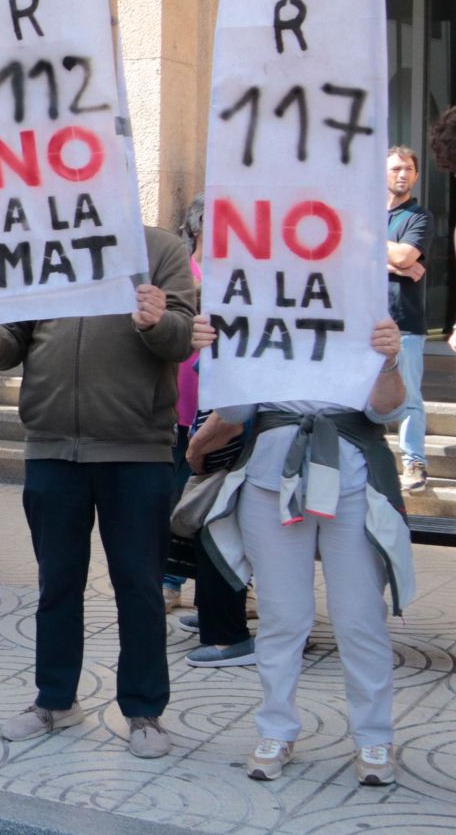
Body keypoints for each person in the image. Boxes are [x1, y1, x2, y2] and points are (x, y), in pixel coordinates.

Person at [0, 223, 197, 759]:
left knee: (139, 587)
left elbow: (183, 337)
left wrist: (157, 321)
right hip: (51, 448)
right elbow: (13, 342)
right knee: (57, 584)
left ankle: (143, 710)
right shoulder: (45, 248)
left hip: (135, 451)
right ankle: (55, 700)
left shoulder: (160, 249)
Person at [192, 314, 414, 786]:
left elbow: (387, 411)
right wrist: (218, 351)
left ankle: (374, 736)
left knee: (360, 617)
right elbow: (235, 412)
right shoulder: (257, 311)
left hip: (353, 483)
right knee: (282, 616)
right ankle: (276, 729)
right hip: (269, 483)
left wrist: (389, 359)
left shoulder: (367, 310)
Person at [160, 196, 256, 667]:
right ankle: (201, 601)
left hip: (225, 425)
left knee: (213, 511)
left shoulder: (243, 283)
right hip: (188, 411)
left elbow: (236, 401)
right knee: (191, 509)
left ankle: (226, 622)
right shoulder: (187, 273)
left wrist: (202, 444)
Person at [385, 146, 431, 493]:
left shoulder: (419, 217)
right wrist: (392, 264)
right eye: (396, 168)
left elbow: (405, 256)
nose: (403, 174)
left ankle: (414, 462)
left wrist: (368, 246)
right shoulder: (365, 214)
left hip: (405, 322)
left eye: (409, 169)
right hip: (363, 323)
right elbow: (344, 255)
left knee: (410, 396)